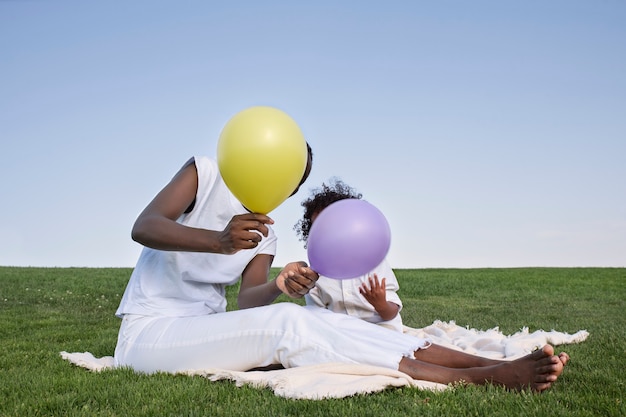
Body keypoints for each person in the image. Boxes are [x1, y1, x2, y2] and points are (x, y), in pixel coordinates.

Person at [113, 144, 568, 393]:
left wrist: (279, 282)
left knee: (311, 316)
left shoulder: (265, 231)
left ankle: (491, 362)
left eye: (293, 181)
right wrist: (218, 240)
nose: (284, 186)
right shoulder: (206, 172)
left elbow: (248, 301)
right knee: (292, 323)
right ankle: (481, 379)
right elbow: (144, 226)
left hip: (203, 334)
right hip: (148, 335)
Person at [295, 179, 404, 332]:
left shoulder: (374, 263)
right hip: (342, 337)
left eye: (333, 223)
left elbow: (390, 314)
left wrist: (381, 304)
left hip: (382, 331)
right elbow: (318, 322)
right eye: (319, 227)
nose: (327, 231)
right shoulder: (315, 275)